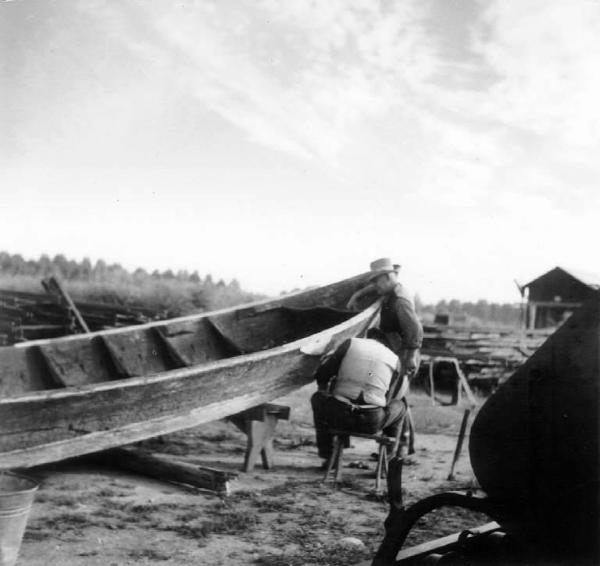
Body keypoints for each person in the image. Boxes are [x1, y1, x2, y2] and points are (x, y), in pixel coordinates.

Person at [310, 328, 409, 464]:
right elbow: (388, 399)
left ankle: (329, 455)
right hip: (371, 422)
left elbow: (323, 373)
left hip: (338, 415)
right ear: (386, 343)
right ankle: (387, 460)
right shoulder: (394, 359)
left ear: (368, 336)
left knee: (317, 398)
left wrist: (326, 389)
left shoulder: (351, 343)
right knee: (400, 406)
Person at [347, 258, 423, 375]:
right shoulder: (390, 289)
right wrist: (357, 295)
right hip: (392, 344)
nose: (375, 285)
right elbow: (374, 287)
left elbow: (415, 329)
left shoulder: (400, 301)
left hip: (403, 353)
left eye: (377, 281)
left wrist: (411, 357)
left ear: (388, 278)